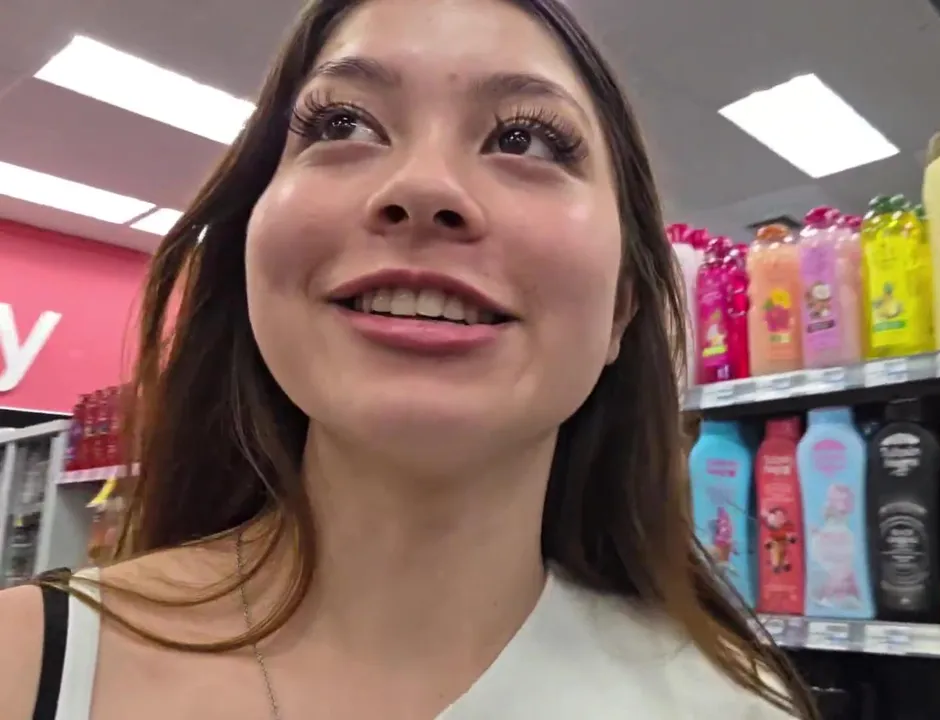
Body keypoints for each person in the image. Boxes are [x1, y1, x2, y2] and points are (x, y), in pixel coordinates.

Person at [0, 0, 818, 718]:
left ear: (619, 312)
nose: (424, 187)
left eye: (526, 139)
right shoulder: (23, 664)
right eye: (342, 125)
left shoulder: (734, 708)